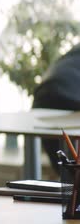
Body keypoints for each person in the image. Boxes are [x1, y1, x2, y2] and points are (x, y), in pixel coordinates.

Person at [33, 44, 80, 173]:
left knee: (65, 168)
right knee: (70, 171)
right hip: (71, 95)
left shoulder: (74, 51)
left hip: (44, 94)